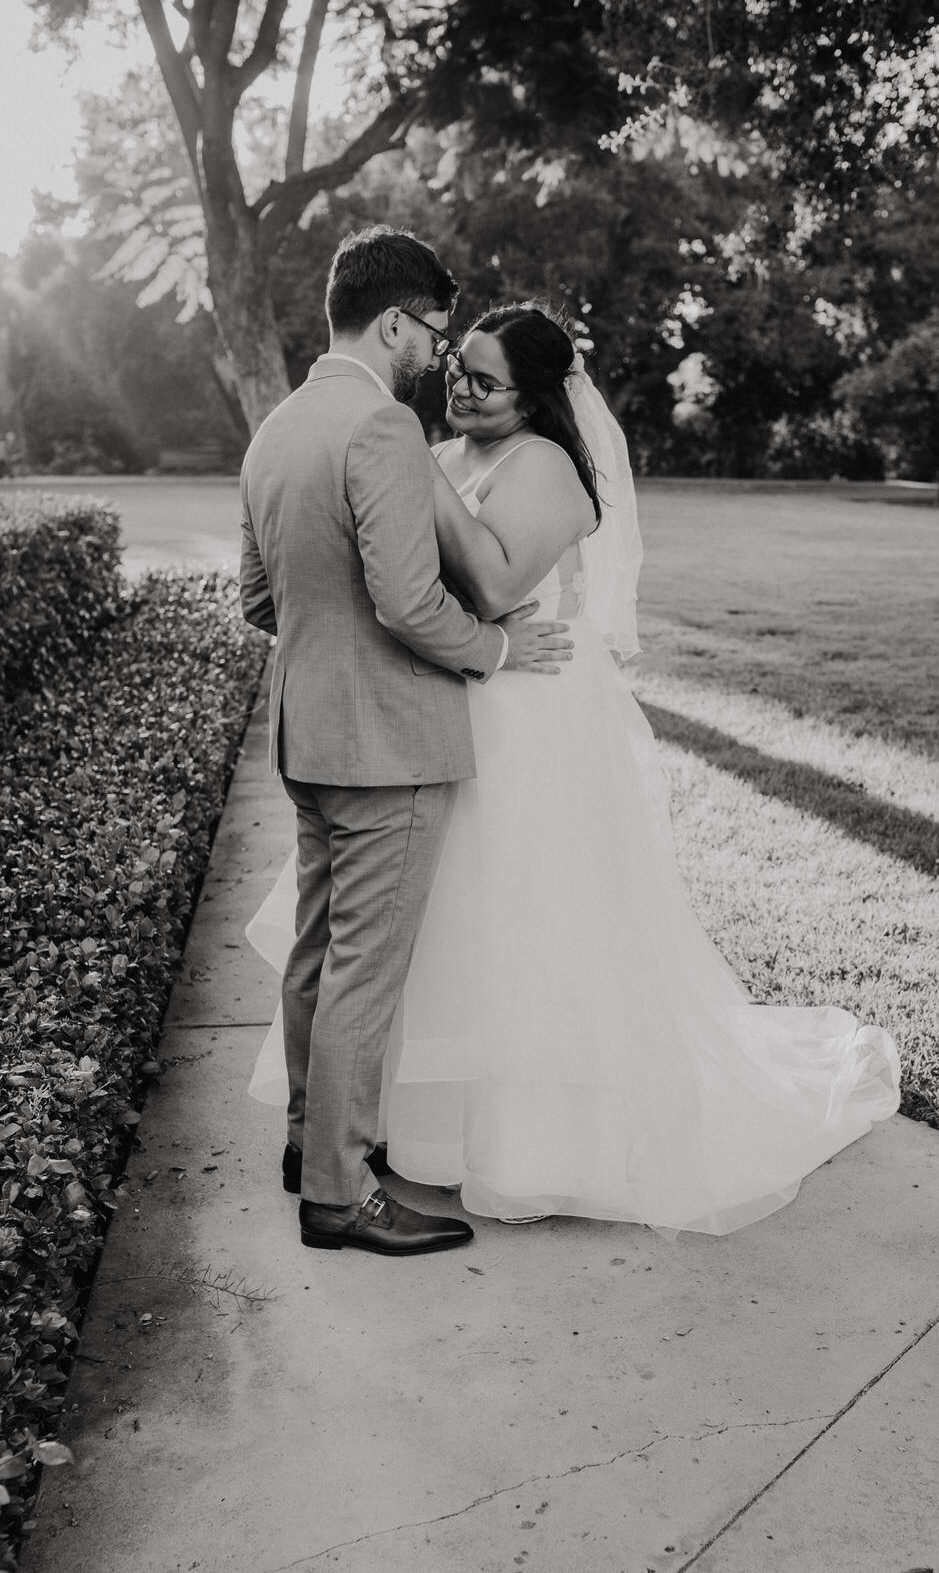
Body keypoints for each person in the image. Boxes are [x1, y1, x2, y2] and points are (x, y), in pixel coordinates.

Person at [249, 302, 900, 1236]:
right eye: (457, 371)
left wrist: (411, 467)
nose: (459, 390)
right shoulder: (430, 451)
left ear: (538, 394)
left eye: (484, 380)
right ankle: (385, 1137)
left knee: (521, 923)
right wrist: (414, 463)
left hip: (530, 722)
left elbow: (496, 585)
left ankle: (519, 1141)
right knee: (419, 932)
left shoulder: (546, 467)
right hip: (445, 704)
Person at [239, 235, 574, 1258]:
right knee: (365, 974)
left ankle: (309, 1144)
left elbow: (259, 599)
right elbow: (408, 597)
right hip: (390, 742)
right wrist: (497, 649)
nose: (436, 352)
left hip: (308, 730)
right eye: (432, 330)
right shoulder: (382, 424)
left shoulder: (278, 426)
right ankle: (341, 1193)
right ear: (394, 322)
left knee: (314, 955)